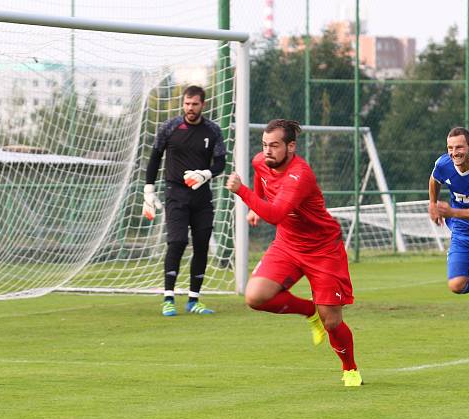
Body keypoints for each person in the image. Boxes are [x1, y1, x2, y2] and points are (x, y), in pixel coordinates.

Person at [225, 119, 362, 387]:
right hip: (287, 244)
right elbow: (261, 180)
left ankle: (350, 368)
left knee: (332, 321)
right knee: (255, 296)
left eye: (274, 146)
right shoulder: (260, 162)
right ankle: (309, 311)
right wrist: (257, 202)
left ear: (290, 146)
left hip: (323, 250)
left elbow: (276, 214)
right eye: (264, 145)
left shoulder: (300, 175)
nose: (267, 151)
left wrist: (243, 192)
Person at [142, 85, 226, 317]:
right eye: (187, 104)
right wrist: (148, 191)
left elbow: (220, 163)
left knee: (201, 243)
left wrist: (205, 174)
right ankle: (168, 298)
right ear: (183, 103)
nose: (190, 108)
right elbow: (155, 157)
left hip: (202, 195)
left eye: (195, 104)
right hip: (175, 194)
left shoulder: (213, 130)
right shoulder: (170, 127)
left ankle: (194, 300)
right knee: (177, 242)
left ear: (203, 105)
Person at [428, 126, 469, 348]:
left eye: (459, 147)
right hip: (462, 233)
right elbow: (434, 179)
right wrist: (433, 204)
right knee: (456, 284)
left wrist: (452, 212)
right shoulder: (444, 164)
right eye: (450, 148)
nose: (454, 152)